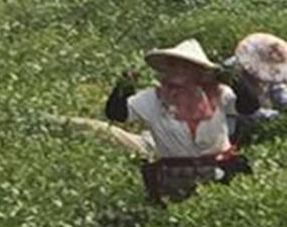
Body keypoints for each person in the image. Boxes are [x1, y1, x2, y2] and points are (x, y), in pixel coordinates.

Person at [104, 39, 254, 202]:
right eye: (174, 66)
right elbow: (117, 113)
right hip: (174, 178)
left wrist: (234, 79)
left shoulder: (217, 94)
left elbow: (249, 106)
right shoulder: (153, 98)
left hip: (220, 171)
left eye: (186, 67)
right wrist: (126, 83)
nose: (179, 72)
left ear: (198, 71)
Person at [227, 32, 287, 134]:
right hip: (236, 118)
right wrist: (278, 117)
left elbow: (277, 85)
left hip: (260, 111)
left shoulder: (272, 73)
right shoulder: (232, 73)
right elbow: (246, 110)